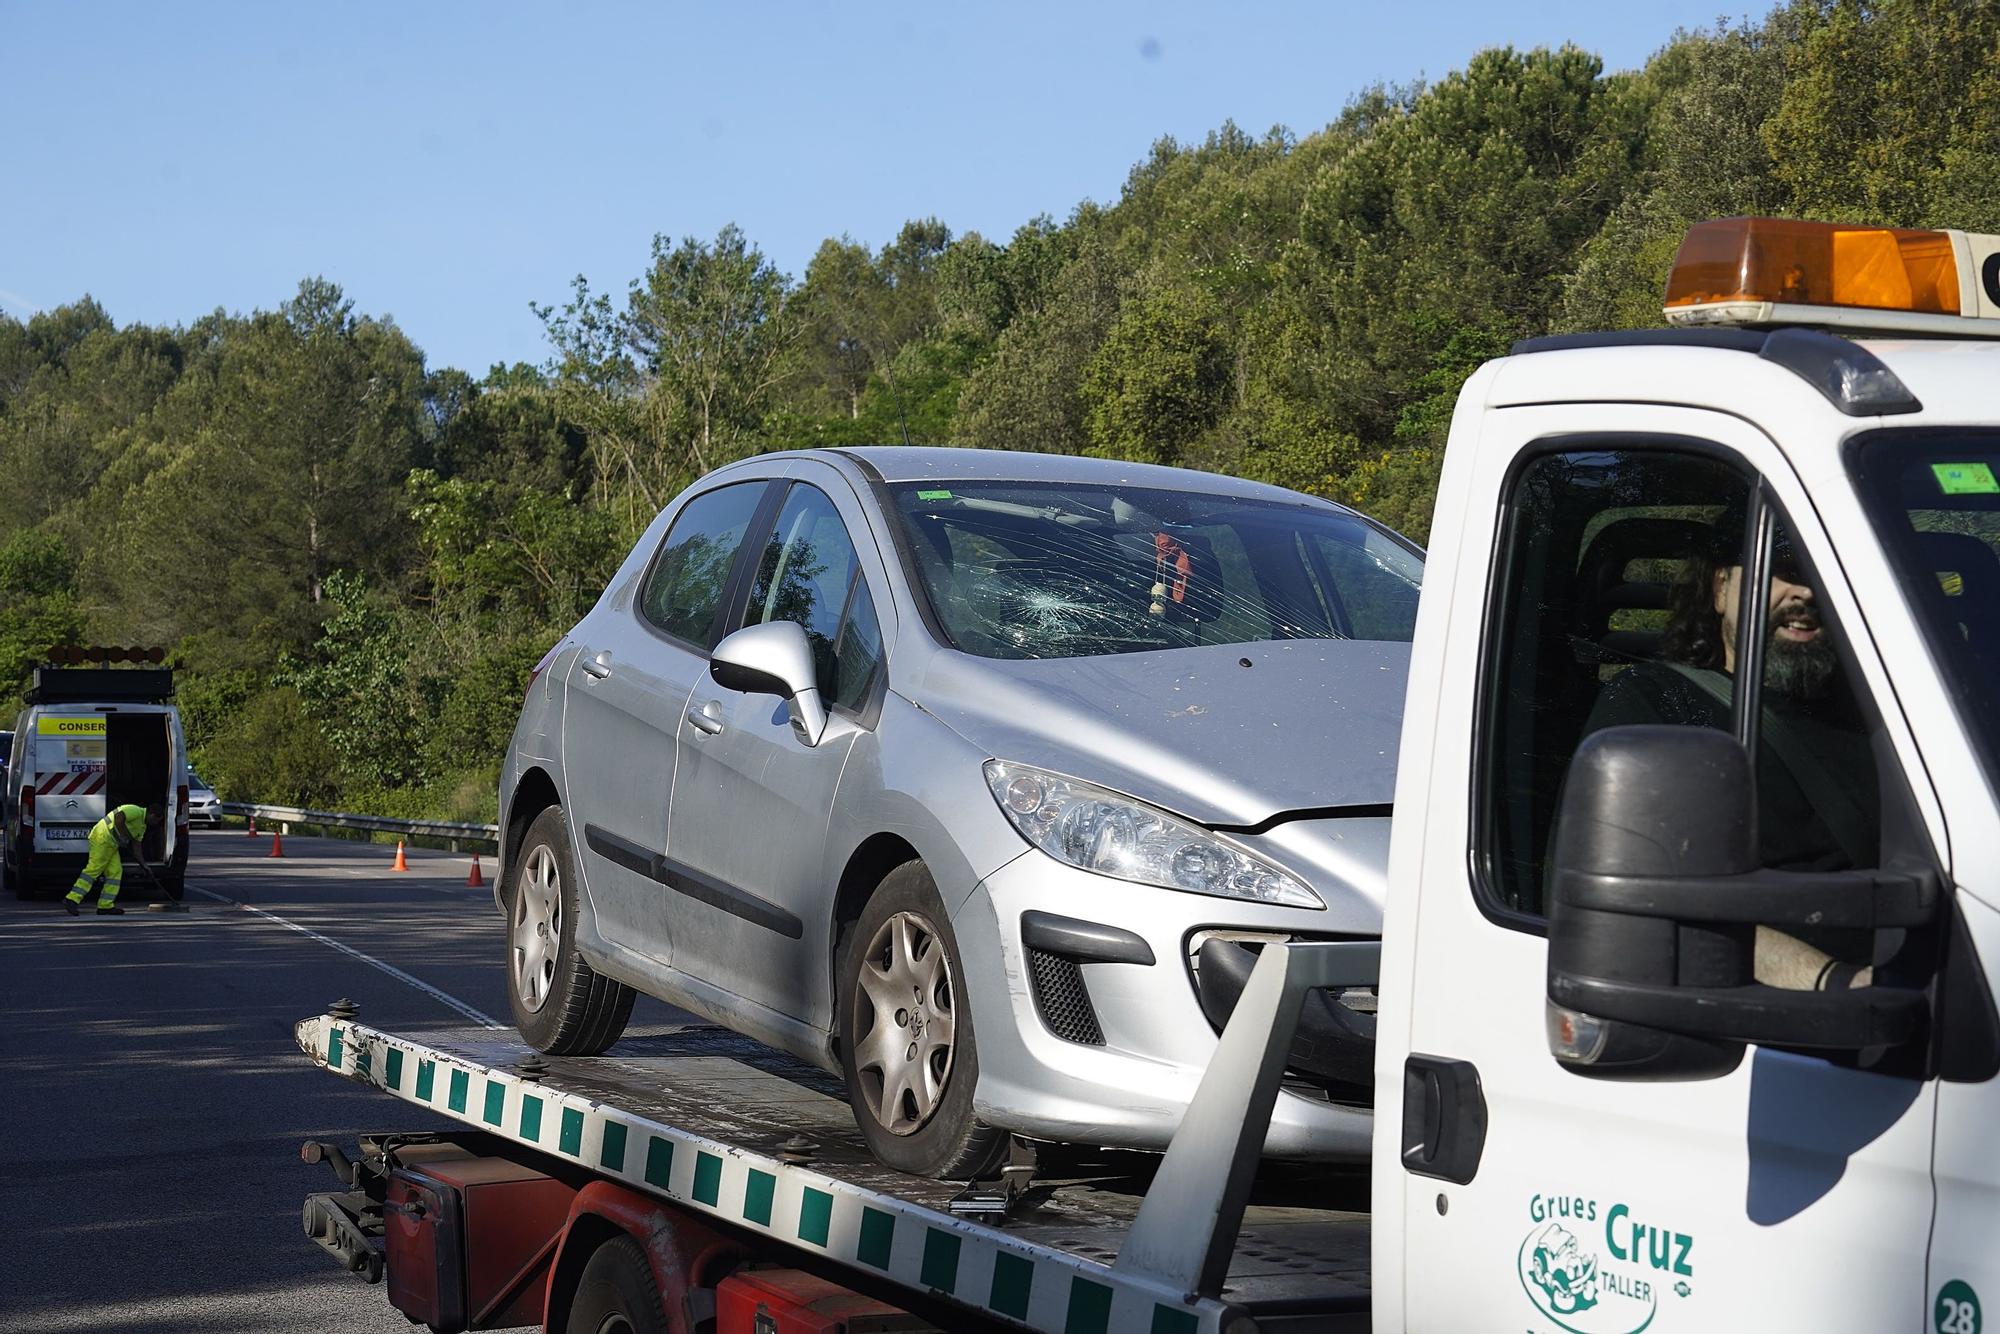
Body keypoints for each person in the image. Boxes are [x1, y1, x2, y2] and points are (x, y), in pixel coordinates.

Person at [1584, 516, 1877, 990]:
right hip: (1783, 1022)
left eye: (1825, 571)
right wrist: (1837, 983)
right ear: (1720, 589)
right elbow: (1654, 907)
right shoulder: (1657, 707)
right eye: (1784, 568)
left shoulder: (1890, 712)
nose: (1806, 592)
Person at [62, 802, 165, 916]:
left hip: (112, 844)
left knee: (115, 872)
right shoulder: (135, 810)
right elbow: (118, 817)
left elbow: (137, 847)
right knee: (94, 869)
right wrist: (123, 836)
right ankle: (71, 899)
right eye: (156, 821)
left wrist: (144, 865)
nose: (155, 824)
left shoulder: (142, 827)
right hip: (102, 837)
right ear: (152, 815)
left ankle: (105, 906)